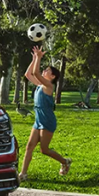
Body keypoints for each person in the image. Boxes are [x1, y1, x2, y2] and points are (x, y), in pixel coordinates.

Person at [19, 45, 71, 182]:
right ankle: (23, 174)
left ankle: (65, 161)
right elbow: (28, 74)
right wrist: (34, 59)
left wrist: (39, 57)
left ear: (52, 76)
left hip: (47, 121)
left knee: (44, 150)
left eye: (47, 70)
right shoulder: (40, 85)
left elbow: (36, 73)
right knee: (29, 146)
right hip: (38, 120)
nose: (44, 70)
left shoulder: (48, 86)